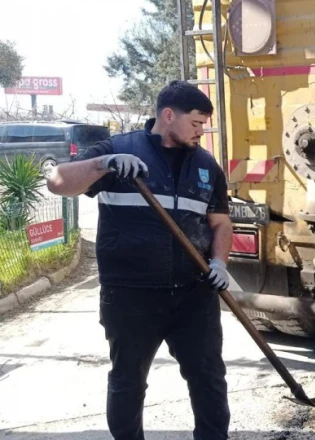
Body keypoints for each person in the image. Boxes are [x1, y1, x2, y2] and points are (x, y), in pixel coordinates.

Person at [46, 80, 233, 440]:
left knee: (209, 378)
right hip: (131, 295)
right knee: (128, 381)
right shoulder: (119, 150)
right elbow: (57, 181)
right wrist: (104, 164)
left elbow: (220, 222)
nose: (201, 132)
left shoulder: (207, 166)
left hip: (195, 294)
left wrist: (220, 263)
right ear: (168, 115)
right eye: (196, 123)